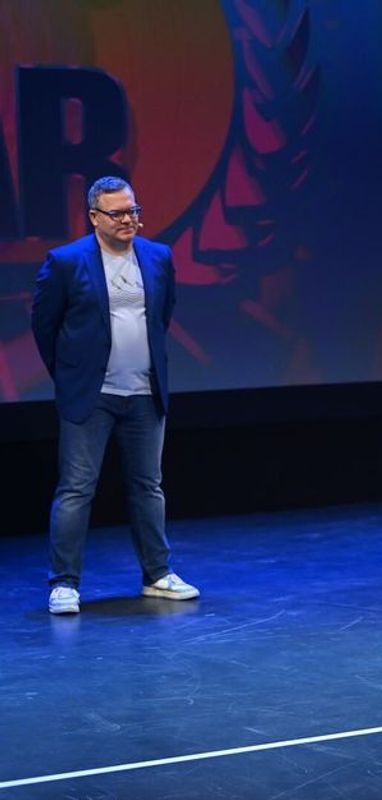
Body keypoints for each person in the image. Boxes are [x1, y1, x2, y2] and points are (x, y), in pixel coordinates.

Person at [32, 176, 199, 614]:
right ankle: (64, 583)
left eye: (133, 211)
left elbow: (162, 317)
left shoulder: (158, 257)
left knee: (149, 486)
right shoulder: (66, 262)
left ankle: (158, 574)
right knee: (76, 489)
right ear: (94, 217)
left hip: (145, 393)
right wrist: (71, 375)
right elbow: (44, 326)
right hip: (92, 395)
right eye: (118, 213)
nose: (129, 220)